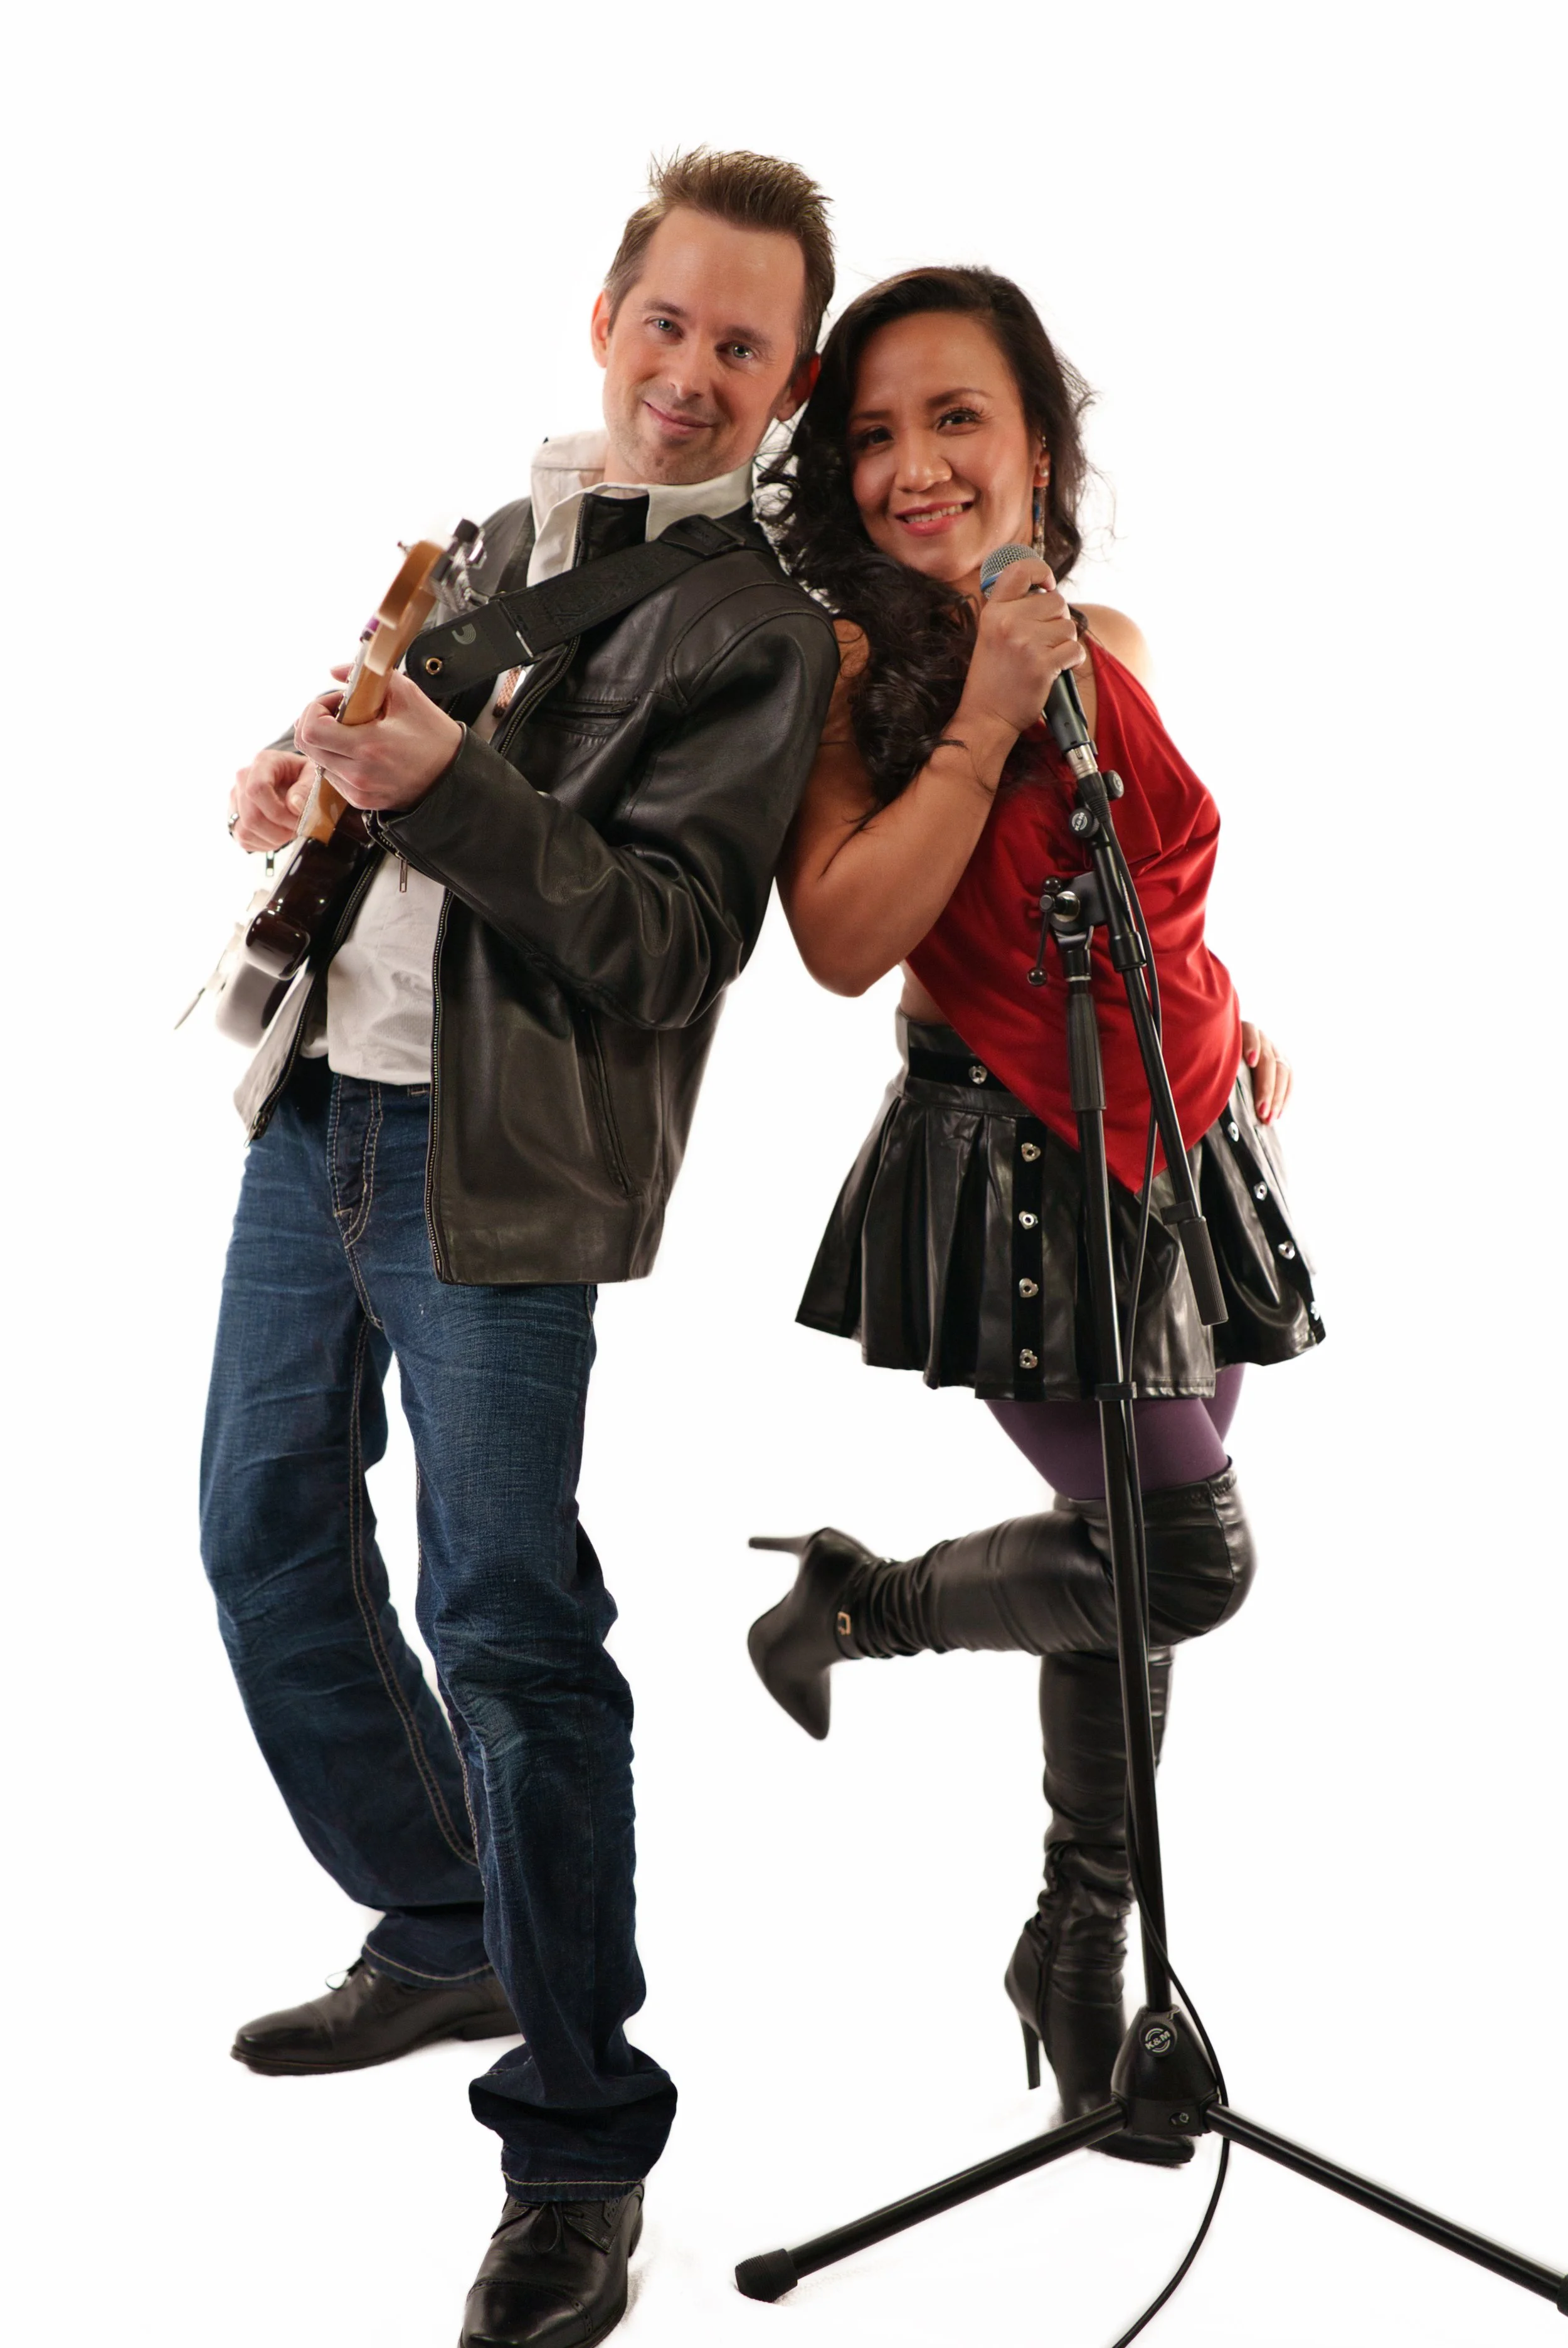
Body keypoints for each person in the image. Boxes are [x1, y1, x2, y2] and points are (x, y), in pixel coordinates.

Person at [203, 150, 839, 2347]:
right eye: (666, 323)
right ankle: (440, 1908)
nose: (690, 374)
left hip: (502, 1169)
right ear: (606, 315)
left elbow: (663, 945)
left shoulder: (761, 632)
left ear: (786, 382)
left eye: (742, 346)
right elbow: (400, 783)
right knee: (264, 1529)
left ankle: (578, 2143)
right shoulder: (499, 543)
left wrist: (441, 779)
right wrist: (305, 770)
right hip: (317, 1110)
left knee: (508, 1626)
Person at [746, 267, 1321, 2165]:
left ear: (1039, 447)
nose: (915, 465)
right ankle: (868, 1601)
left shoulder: (1117, 635)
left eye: (956, 418)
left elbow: (1143, 892)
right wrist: (979, 712)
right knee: (1188, 1558)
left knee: (1125, 1557)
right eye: (877, 434)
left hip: (1174, 1150)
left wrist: (1239, 1023)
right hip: (999, 1171)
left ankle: (1076, 1945)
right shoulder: (837, 667)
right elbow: (843, 938)